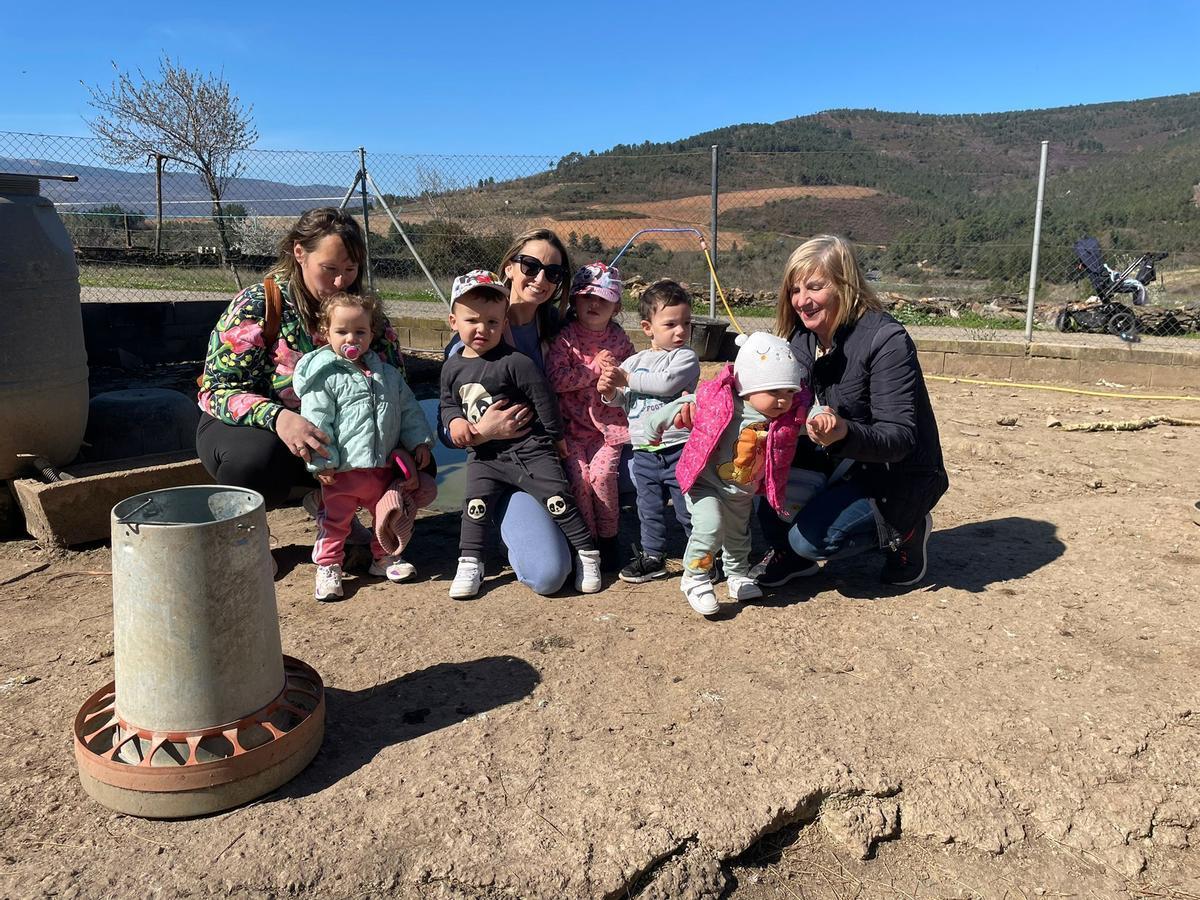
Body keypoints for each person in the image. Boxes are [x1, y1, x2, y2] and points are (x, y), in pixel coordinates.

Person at [750, 234, 949, 589]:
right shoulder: (802, 341)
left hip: (895, 474)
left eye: (814, 287)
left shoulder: (886, 341)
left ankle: (909, 529)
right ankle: (792, 556)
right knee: (756, 479)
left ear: (845, 285)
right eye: (795, 290)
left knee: (813, 540)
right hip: (836, 460)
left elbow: (900, 438)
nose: (801, 300)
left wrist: (843, 432)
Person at [196, 208, 405, 512]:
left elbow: (396, 383)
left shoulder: (366, 315)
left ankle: (335, 512)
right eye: (329, 268)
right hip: (255, 428)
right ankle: (239, 539)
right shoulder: (259, 305)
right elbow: (216, 391)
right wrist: (279, 418)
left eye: (350, 269)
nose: (339, 282)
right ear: (299, 253)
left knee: (413, 461)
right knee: (254, 461)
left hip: (331, 434)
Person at [439, 270, 601, 600]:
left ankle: (587, 553)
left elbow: (544, 401)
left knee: (558, 500)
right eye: (472, 320)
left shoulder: (516, 362)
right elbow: (447, 402)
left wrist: (556, 439)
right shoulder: (452, 366)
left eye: (493, 322)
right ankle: (470, 561)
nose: (482, 329)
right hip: (486, 456)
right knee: (476, 506)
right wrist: (456, 422)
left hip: (530, 449)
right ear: (453, 321)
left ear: (504, 323)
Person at [645, 332, 809, 617]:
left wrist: (821, 415)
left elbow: (809, 413)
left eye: (789, 392)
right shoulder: (722, 401)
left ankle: (737, 575)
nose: (783, 401)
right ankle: (695, 576)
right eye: (775, 392)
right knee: (710, 526)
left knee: (738, 534)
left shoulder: (786, 414)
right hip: (705, 482)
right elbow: (681, 404)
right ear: (749, 386)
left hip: (742, 488)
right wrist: (654, 426)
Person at [294, 292, 434, 601]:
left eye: (360, 331)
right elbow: (318, 421)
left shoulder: (387, 375)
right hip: (342, 471)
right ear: (325, 332)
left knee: (387, 517)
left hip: (381, 469)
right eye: (342, 331)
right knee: (336, 521)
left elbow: (408, 409)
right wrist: (321, 462)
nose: (351, 338)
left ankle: (383, 558)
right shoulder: (325, 377)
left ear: (372, 333)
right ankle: (329, 566)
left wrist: (419, 441)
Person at [599, 279, 700, 583]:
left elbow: (667, 384)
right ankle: (653, 556)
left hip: (678, 448)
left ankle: (706, 556)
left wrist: (625, 378)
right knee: (649, 508)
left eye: (686, 322)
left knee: (688, 509)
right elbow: (624, 402)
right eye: (671, 324)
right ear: (648, 328)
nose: (681, 331)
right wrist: (608, 391)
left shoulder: (684, 358)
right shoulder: (635, 361)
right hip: (644, 452)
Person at [545, 262, 635, 571]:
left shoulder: (620, 340)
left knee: (602, 478)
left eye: (603, 299)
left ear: (616, 305)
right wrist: (592, 370)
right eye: (586, 297)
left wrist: (616, 377)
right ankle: (587, 543)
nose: (594, 304)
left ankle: (609, 540)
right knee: (580, 480)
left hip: (608, 429)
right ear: (574, 301)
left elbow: (632, 377)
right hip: (572, 430)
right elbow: (555, 378)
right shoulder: (566, 338)